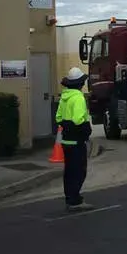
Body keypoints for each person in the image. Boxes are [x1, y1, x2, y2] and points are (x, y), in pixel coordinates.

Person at [55, 67, 93, 211]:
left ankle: (69, 198)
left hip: (66, 141)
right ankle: (75, 200)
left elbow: (58, 117)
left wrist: (66, 124)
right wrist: (85, 128)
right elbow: (78, 120)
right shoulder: (78, 97)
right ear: (79, 84)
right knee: (79, 171)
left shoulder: (64, 97)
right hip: (77, 141)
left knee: (69, 171)